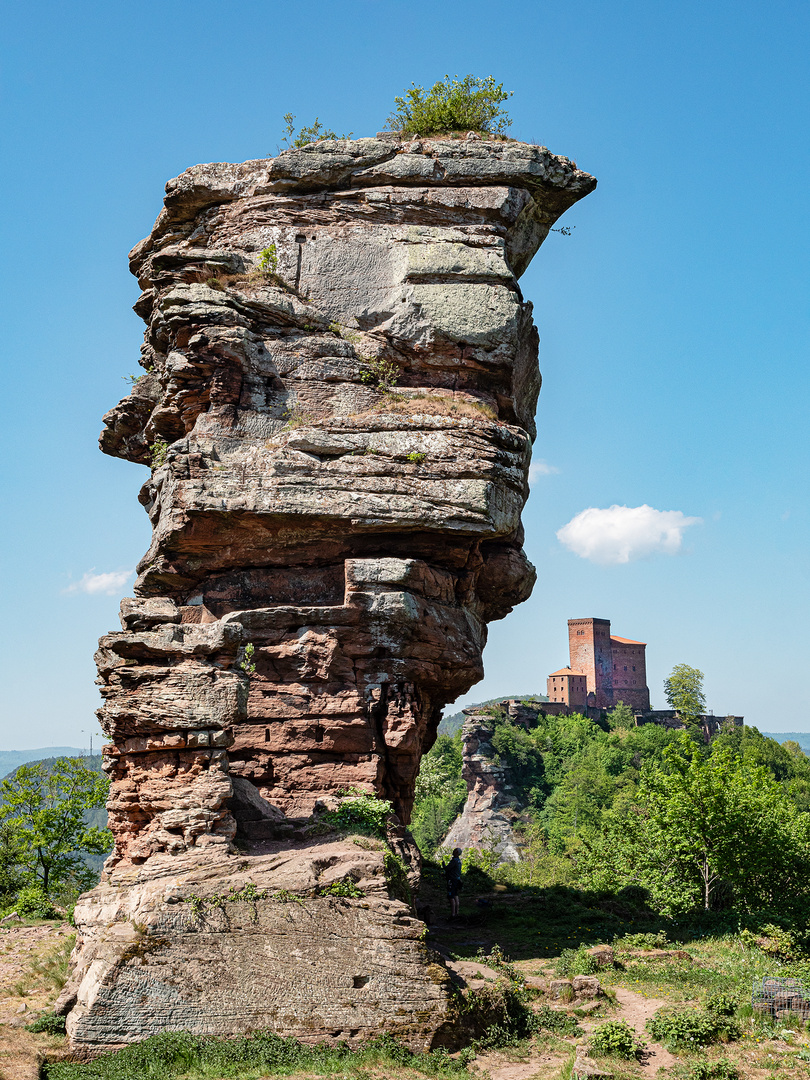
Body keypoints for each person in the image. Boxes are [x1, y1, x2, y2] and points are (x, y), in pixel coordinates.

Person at [445, 847, 463, 917]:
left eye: (455, 851)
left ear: (457, 853)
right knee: (455, 895)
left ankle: (453, 914)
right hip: (457, 880)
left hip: (452, 880)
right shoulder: (459, 861)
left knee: (451, 896)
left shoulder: (454, 861)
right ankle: (457, 913)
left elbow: (447, 868)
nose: (453, 851)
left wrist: (443, 865)